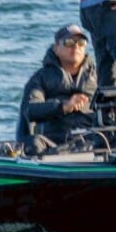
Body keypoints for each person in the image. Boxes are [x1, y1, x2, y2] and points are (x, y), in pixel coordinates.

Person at [18, 23, 98, 153]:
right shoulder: (40, 78)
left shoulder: (99, 75)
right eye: (69, 42)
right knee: (33, 143)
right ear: (56, 48)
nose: (76, 46)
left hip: (92, 138)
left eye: (81, 42)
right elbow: (29, 109)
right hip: (54, 142)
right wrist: (63, 107)